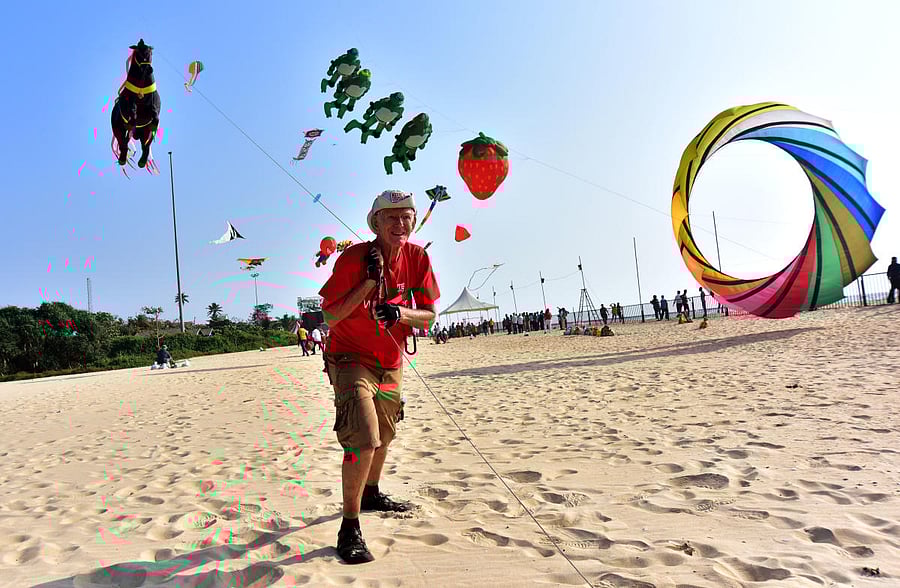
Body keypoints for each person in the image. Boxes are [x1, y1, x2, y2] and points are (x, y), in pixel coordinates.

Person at [319, 190, 440, 565]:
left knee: (385, 434)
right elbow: (330, 317)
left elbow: (430, 315)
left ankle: (371, 493)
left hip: (390, 360)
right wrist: (369, 284)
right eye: (391, 217)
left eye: (406, 217)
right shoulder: (354, 257)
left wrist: (400, 314)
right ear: (375, 223)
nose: (400, 224)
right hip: (349, 357)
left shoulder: (418, 257)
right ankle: (349, 526)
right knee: (364, 438)